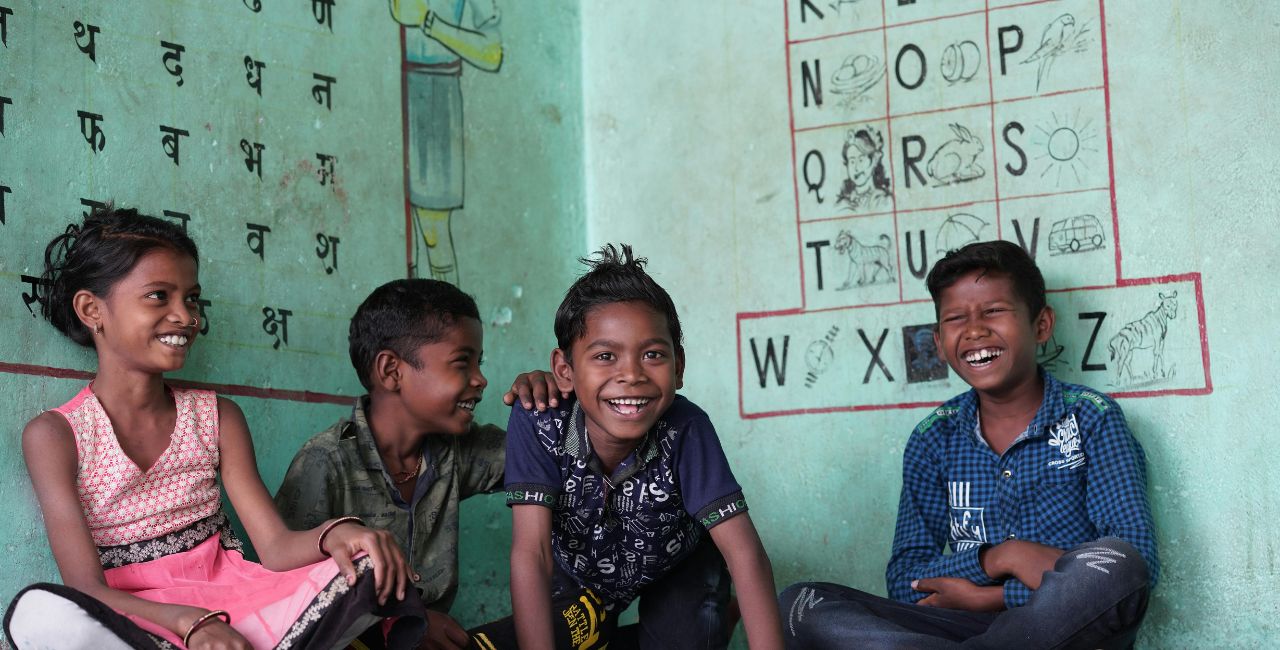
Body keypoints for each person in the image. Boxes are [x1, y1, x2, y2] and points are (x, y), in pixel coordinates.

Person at [4, 207, 423, 650]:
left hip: (241, 601)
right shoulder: (55, 435)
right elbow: (87, 590)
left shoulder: (217, 417)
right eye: (158, 296)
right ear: (92, 309)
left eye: (191, 299)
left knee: (370, 563)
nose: (185, 316)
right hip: (139, 620)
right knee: (41, 613)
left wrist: (338, 533)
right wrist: (191, 623)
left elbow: (276, 547)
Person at [779, 240, 1159, 649]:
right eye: (956, 318)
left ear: (1042, 325)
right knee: (801, 604)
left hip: (1067, 631)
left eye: (994, 311)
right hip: (959, 630)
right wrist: (1000, 557)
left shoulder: (1090, 418)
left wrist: (989, 596)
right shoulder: (933, 438)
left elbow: (1134, 564)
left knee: (1117, 565)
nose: (975, 330)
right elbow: (907, 579)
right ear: (939, 343)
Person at [472, 244, 784, 650]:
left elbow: (744, 554)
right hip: (578, 576)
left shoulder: (687, 429)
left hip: (676, 568)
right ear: (564, 370)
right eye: (605, 356)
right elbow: (531, 554)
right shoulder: (539, 419)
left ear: (679, 367)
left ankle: (708, 621)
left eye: (652, 354)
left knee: (684, 637)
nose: (632, 375)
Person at [274, 278, 558, 650]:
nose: (481, 379)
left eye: (479, 362)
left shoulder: (456, 451)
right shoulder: (325, 463)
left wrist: (547, 405)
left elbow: (552, 460)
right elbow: (285, 598)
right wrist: (400, 625)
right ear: (392, 371)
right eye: (462, 363)